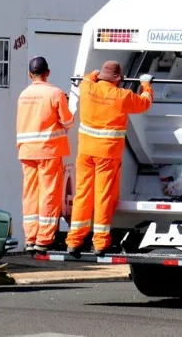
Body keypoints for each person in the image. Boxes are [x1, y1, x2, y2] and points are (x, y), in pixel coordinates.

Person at [66, 61, 154, 257]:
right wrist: (146, 85)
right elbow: (144, 102)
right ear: (118, 79)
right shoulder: (122, 96)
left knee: (82, 194)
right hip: (107, 154)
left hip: (86, 151)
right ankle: (100, 242)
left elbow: (88, 77)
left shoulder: (87, 87)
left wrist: (94, 72)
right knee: (103, 196)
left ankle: (74, 240)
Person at [16, 56, 74, 254]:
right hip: (48, 150)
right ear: (47, 72)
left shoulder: (23, 95)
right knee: (49, 193)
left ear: (30, 74)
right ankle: (44, 239)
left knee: (30, 195)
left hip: (26, 150)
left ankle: (30, 238)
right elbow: (67, 122)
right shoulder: (55, 93)